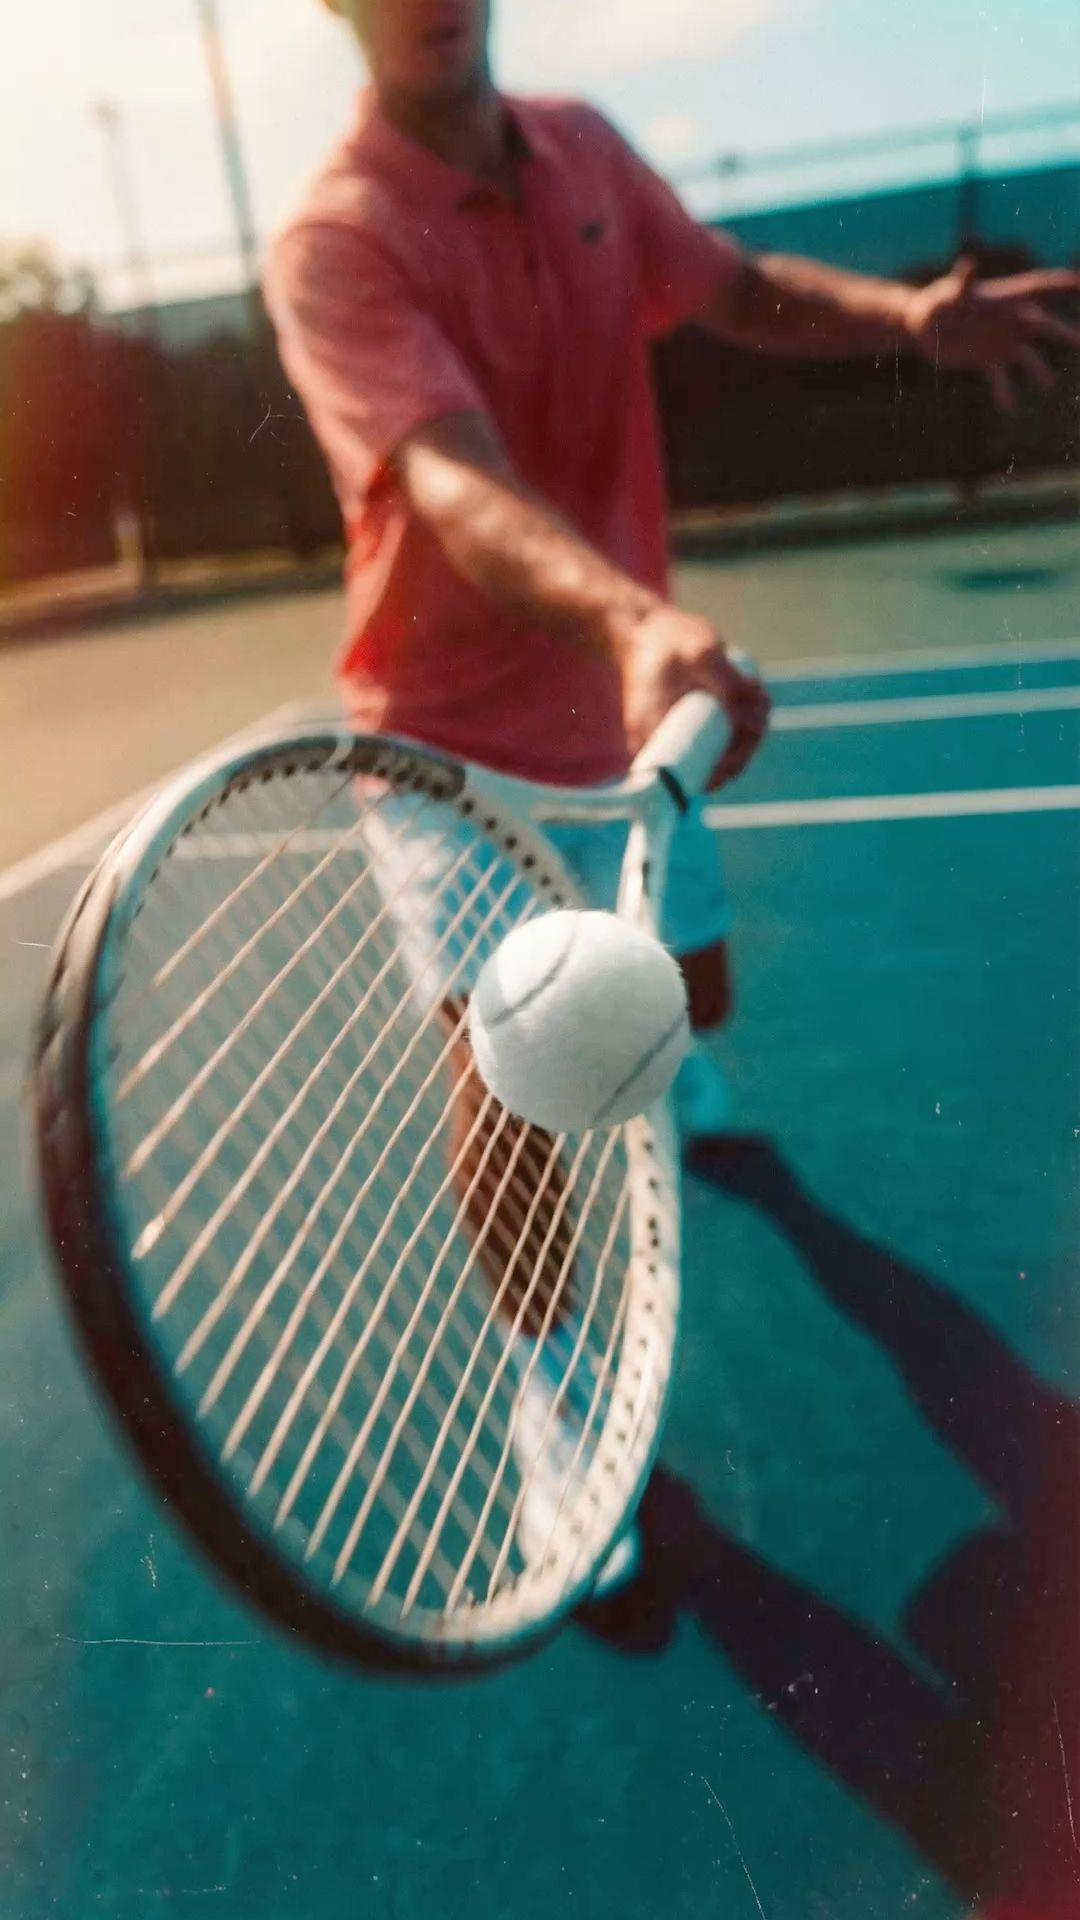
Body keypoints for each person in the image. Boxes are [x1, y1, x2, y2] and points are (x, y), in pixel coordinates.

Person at [265, 0, 1080, 1592]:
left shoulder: (581, 147)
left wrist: (911, 320)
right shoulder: (336, 240)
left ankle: (682, 1076)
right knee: (500, 1068)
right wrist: (637, 619)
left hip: (635, 712)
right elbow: (449, 475)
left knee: (684, 989)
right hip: (447, 737)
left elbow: (735, 290)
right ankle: (556, 1394)